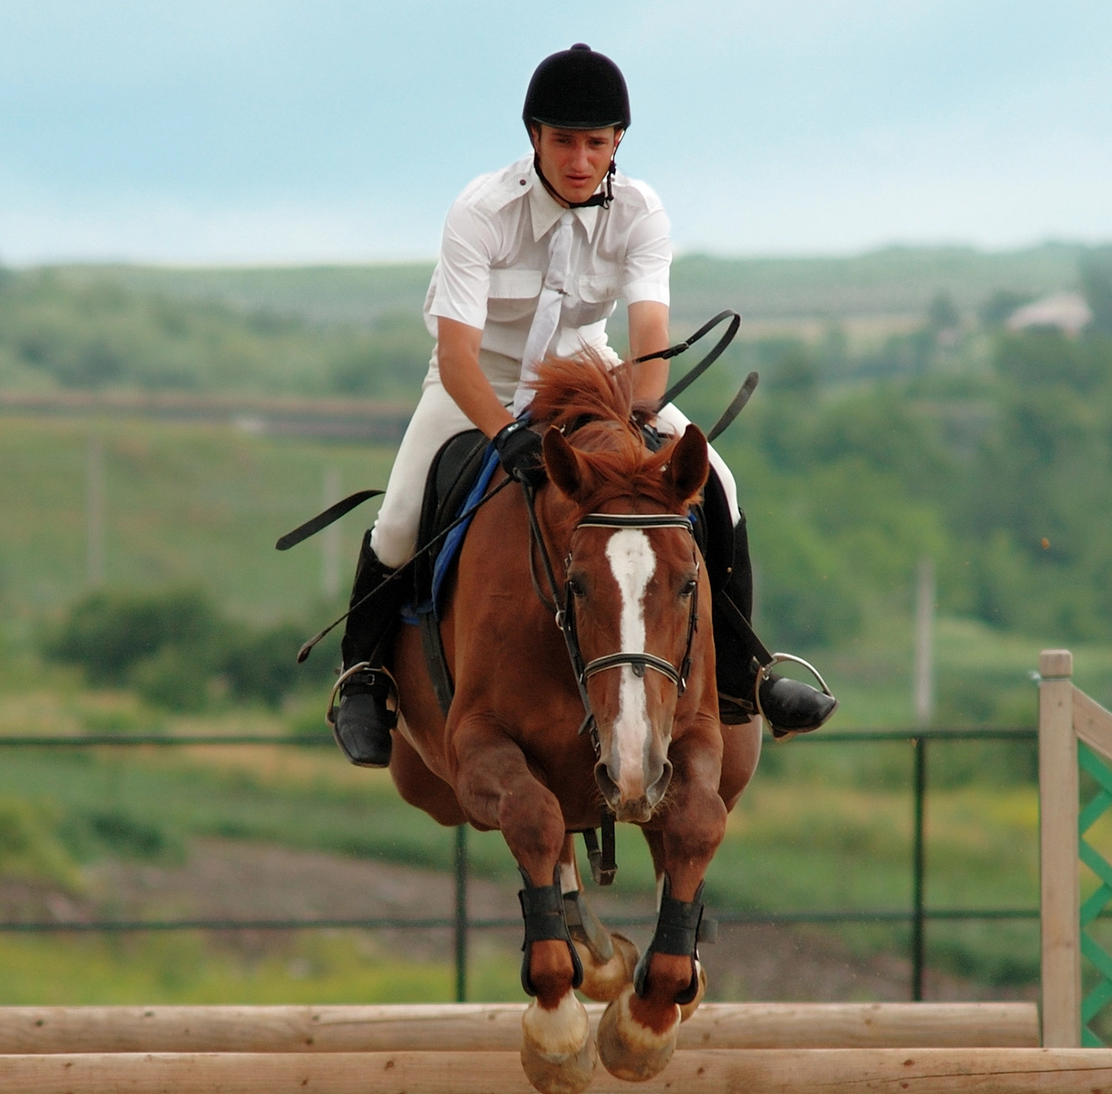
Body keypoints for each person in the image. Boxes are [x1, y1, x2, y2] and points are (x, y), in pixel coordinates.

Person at [332, 43, 836, 767]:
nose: (578, 159)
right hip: (480, 382)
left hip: (596, 375)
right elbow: (455, 356)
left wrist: (632, 414)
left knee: (719, 481)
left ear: (616, 143)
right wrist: (504, 436)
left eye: (594, 143)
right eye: (563, 141)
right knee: (403, 511)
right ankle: (363, 678)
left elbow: (650, 340)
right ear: (534, 138)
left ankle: (743, 676)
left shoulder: (638, 210)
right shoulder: (481, 212)